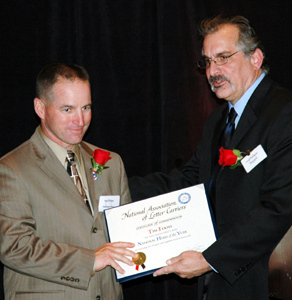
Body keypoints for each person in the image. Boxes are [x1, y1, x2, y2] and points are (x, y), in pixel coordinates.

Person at [129, 15, 292, 299]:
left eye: (223, 58)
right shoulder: (219, 119)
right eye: (207, 61)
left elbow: (279, 208)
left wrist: (209, 260)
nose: (213, 71)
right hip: (220, 286)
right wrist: (115, 186)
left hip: (263, 284)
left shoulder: (284, 113)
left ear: (255, 58)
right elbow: (189, 182)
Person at [0, 63, 137, 300]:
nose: (80, 120)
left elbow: (126, 236)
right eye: (67, 109)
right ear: (40, 108)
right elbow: (15, 248)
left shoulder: (111, 163)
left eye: (86, 107)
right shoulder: (11, 168)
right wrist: (90, 260)